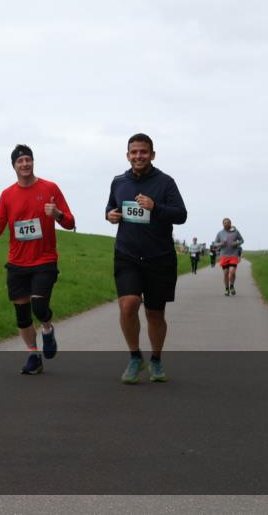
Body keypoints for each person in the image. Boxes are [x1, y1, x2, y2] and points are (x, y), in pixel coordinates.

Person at [0, 145, 76, 375]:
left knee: (39, 307)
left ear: (33, 162)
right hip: (17, 263)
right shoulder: (7, 195)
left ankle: (48, 330)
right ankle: (33, 355)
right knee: (22, 316)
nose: (25, 164)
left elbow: (70, 222)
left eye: (28, 160)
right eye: (20, 161)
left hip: (44, 259)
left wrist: (57, 214)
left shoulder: (50, 188)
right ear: (14, 166)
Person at [105, 133, 187, 384]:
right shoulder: (119, 181)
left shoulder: (165, 182)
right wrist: (110, 215)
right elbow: (110, 207)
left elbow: (181, 215)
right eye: (134, 152)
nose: (138, 156)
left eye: (143, 152)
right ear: (127, 155)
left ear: (152, 154)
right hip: (127, 255)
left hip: (159, 257)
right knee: (128, 305)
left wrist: (155, 207)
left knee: (154, 314)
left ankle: (156, 359)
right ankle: (134, 357)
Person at [213, 218, 245, 296]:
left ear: (230, 223)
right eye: (224, 223)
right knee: (226, 273)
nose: (226, 224)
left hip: (233, 255)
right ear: (222, 224)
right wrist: (221, 244)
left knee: (232, 272)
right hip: (224, 256)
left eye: (228, 223)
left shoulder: (235, 232)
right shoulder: (220, 233)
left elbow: (242, 240)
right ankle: (227, 289)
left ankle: (232, 286)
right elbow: (215, 243)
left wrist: (237, 243)